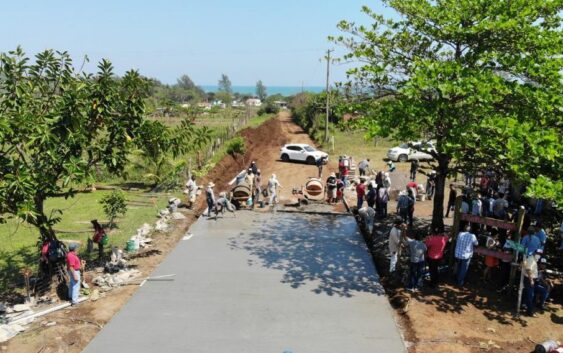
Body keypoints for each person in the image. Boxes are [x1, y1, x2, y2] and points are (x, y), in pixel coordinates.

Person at [522, 251, 539, 317]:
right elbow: (528, 270)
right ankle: (529, 312)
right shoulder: (531, 259)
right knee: (530, 295)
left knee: (528, 294)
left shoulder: (534, 259)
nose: (539, 255)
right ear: (534, 253)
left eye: (540, 254)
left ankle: (525, 306)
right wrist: (531, 280)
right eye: (538, 254)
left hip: (530, 279)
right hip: (529, 279)